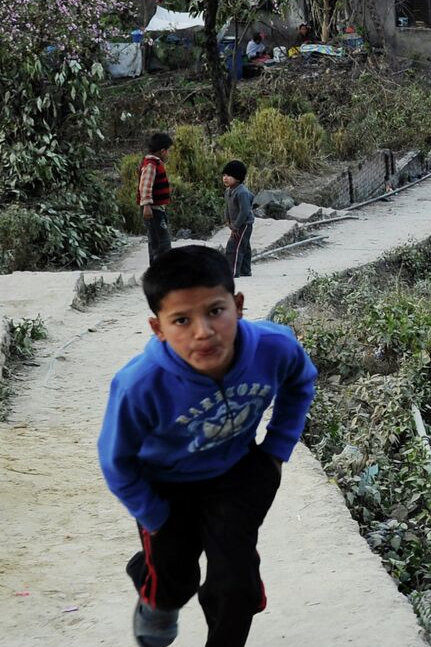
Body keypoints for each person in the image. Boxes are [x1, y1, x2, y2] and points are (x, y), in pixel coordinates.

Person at [98, 245, 317, 647]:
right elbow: (117, 461)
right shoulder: (140, 385)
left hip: (237, 474)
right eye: (181, 320)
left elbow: (301, 382)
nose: (203, 331)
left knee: (238, 585)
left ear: (238, 305)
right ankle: (155, 594)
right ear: (158, 328)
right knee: (174, 579)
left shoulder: (274, 346)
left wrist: (275, 452)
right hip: (165, 488)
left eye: (216, 311)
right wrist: (154, 516)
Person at [138, 133, 174, 265]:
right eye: (168, 151)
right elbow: (145, 186)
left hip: (157, 208)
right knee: (161, 242)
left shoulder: (155, 163)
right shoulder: (151, 165)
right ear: (163, 151)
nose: (168, 154)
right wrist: (146, 206)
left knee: (156, 240)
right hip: (153, 209)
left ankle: (158, 272)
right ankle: (160, 273)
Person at [221, 161, 254, 279]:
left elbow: (244, 211)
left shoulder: (242, 192)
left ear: (238, 178)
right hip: (236, 224)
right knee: (244, 246)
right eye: (224, 175)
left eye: (229, 175)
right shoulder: (228, 191)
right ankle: (245, 270)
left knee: (233, 247)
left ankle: (233, 271)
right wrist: (228, 221)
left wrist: (235, 226)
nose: (225, 178)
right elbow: (227, 207)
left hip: (243, 224)